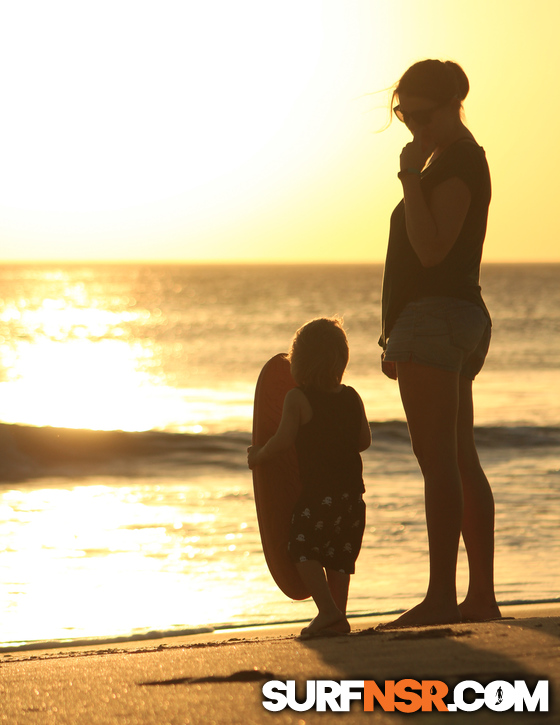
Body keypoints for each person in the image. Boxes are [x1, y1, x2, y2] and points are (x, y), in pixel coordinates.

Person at [379, 59, 500, 627]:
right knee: (458, 458)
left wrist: (408, 178)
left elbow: (431, 251)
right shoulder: (453, 159)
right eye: (405, 117)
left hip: (437, 318)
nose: (413, 130)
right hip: (445, 319)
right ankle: (478, 598)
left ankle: (441, 598)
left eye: (421, 116)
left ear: (452, 104)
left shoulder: (455, 164)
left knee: (441, 464)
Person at [248, 318, 371, 638]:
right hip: (352, 499)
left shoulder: (298, 399)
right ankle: (338, 617)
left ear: (298, 363)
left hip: (319, 497)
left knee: (301, 549)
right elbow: (364, 441)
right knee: (339, 558)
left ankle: (327, 611)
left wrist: (260, 455)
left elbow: (282, 441)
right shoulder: (352, 396)